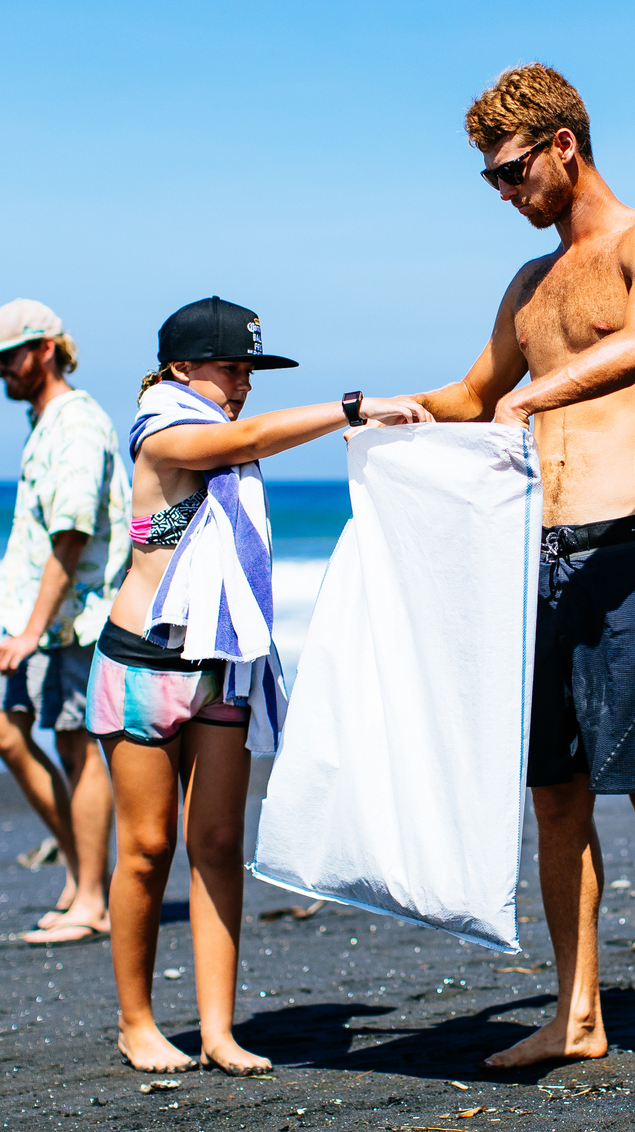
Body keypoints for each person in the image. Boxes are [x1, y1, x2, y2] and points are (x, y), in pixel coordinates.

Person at [407, 64, 635, 1078]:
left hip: (631, 556)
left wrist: (527, 401)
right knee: (554, 797)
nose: (501, 195)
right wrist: (376, 416)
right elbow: (472, 391)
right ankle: (575, 1012)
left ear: (560, 146)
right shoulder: (526, 285)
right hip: (537, 565)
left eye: (505, 172)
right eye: (488, 181)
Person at [90, 296, 428, 1074]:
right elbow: (238, 439)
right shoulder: (162, 430)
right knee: (145, 849)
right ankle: (136, 1023)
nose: (244, 383)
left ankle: (217, 1031)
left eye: (250, 371)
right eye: (230, 368)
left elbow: (244, 438)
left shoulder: (224, 439)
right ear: (181, 368)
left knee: (215, 844)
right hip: (144, 665)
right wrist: (350, 406)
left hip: (225, 664)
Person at [0, 298, 127, 945]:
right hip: (36, 614)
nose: (0, 369)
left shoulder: (76, 424)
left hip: (74, 617)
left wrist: (35, 628)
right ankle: (83, 875)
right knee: (6, 735)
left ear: (45, 350)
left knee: (74, 747)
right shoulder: (46, 422)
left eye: (8, 357)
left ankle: (92, 898)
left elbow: (72, 532)